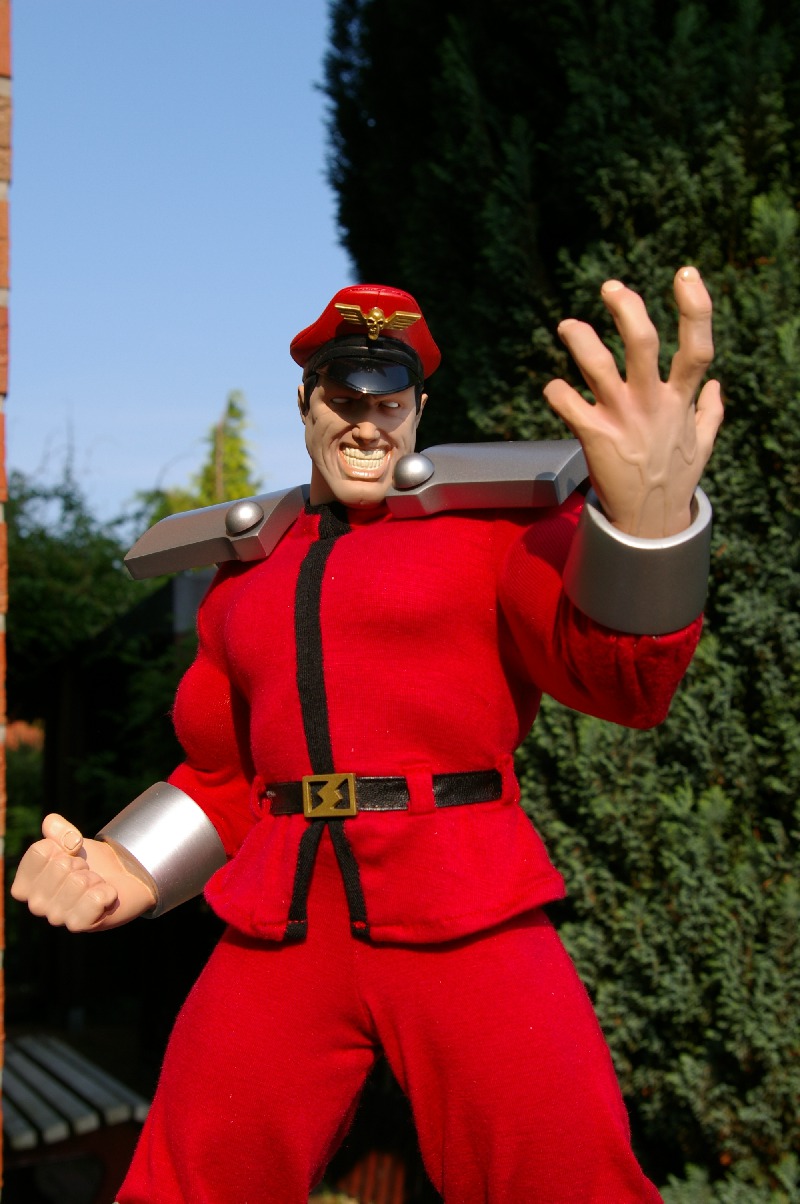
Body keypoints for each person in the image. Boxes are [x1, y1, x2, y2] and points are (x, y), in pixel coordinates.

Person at [12, 270, 723, 1203]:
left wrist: (651, 529)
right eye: (344, 398)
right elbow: (226, 775)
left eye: (390, 402)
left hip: (466, 904)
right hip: (284, 920)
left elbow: (625, 682)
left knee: (565, 1178)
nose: (368, 425)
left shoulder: (494, 527)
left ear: (418, 408)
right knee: (185, 1181)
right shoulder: (249, 571)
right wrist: (124, 863)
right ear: (305, 403)